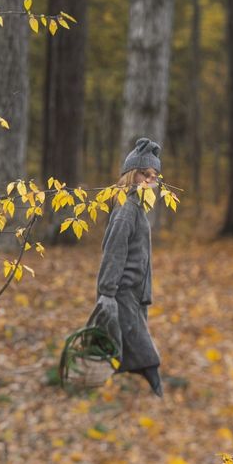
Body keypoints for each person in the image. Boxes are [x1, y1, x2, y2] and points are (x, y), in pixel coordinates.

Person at [89, 138, 164, 397]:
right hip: (122, 293)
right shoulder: (126, 211)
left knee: (124, 346)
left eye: (154, 174)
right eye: (146, 173)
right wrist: (107, 293)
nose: (151, 178)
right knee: (146, 352)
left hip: (135, 293)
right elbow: (113, 253)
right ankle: (158, 394)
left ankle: (111, 388)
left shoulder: (138, 208)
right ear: (132, 175)